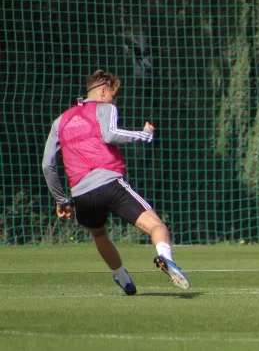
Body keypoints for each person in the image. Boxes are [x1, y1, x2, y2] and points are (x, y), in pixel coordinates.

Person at [42, 69, 189, 295]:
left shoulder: (60, 121)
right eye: (113, 94)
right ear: (102, 91)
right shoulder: (105, 107)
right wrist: (144, 135)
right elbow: (109, 134)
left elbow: (47, 165)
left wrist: (61, 200)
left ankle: (122, 277)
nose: (114, 100)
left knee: (99, 235)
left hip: (81, 195)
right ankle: (166, 259)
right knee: (157, 226)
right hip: (110, 184)